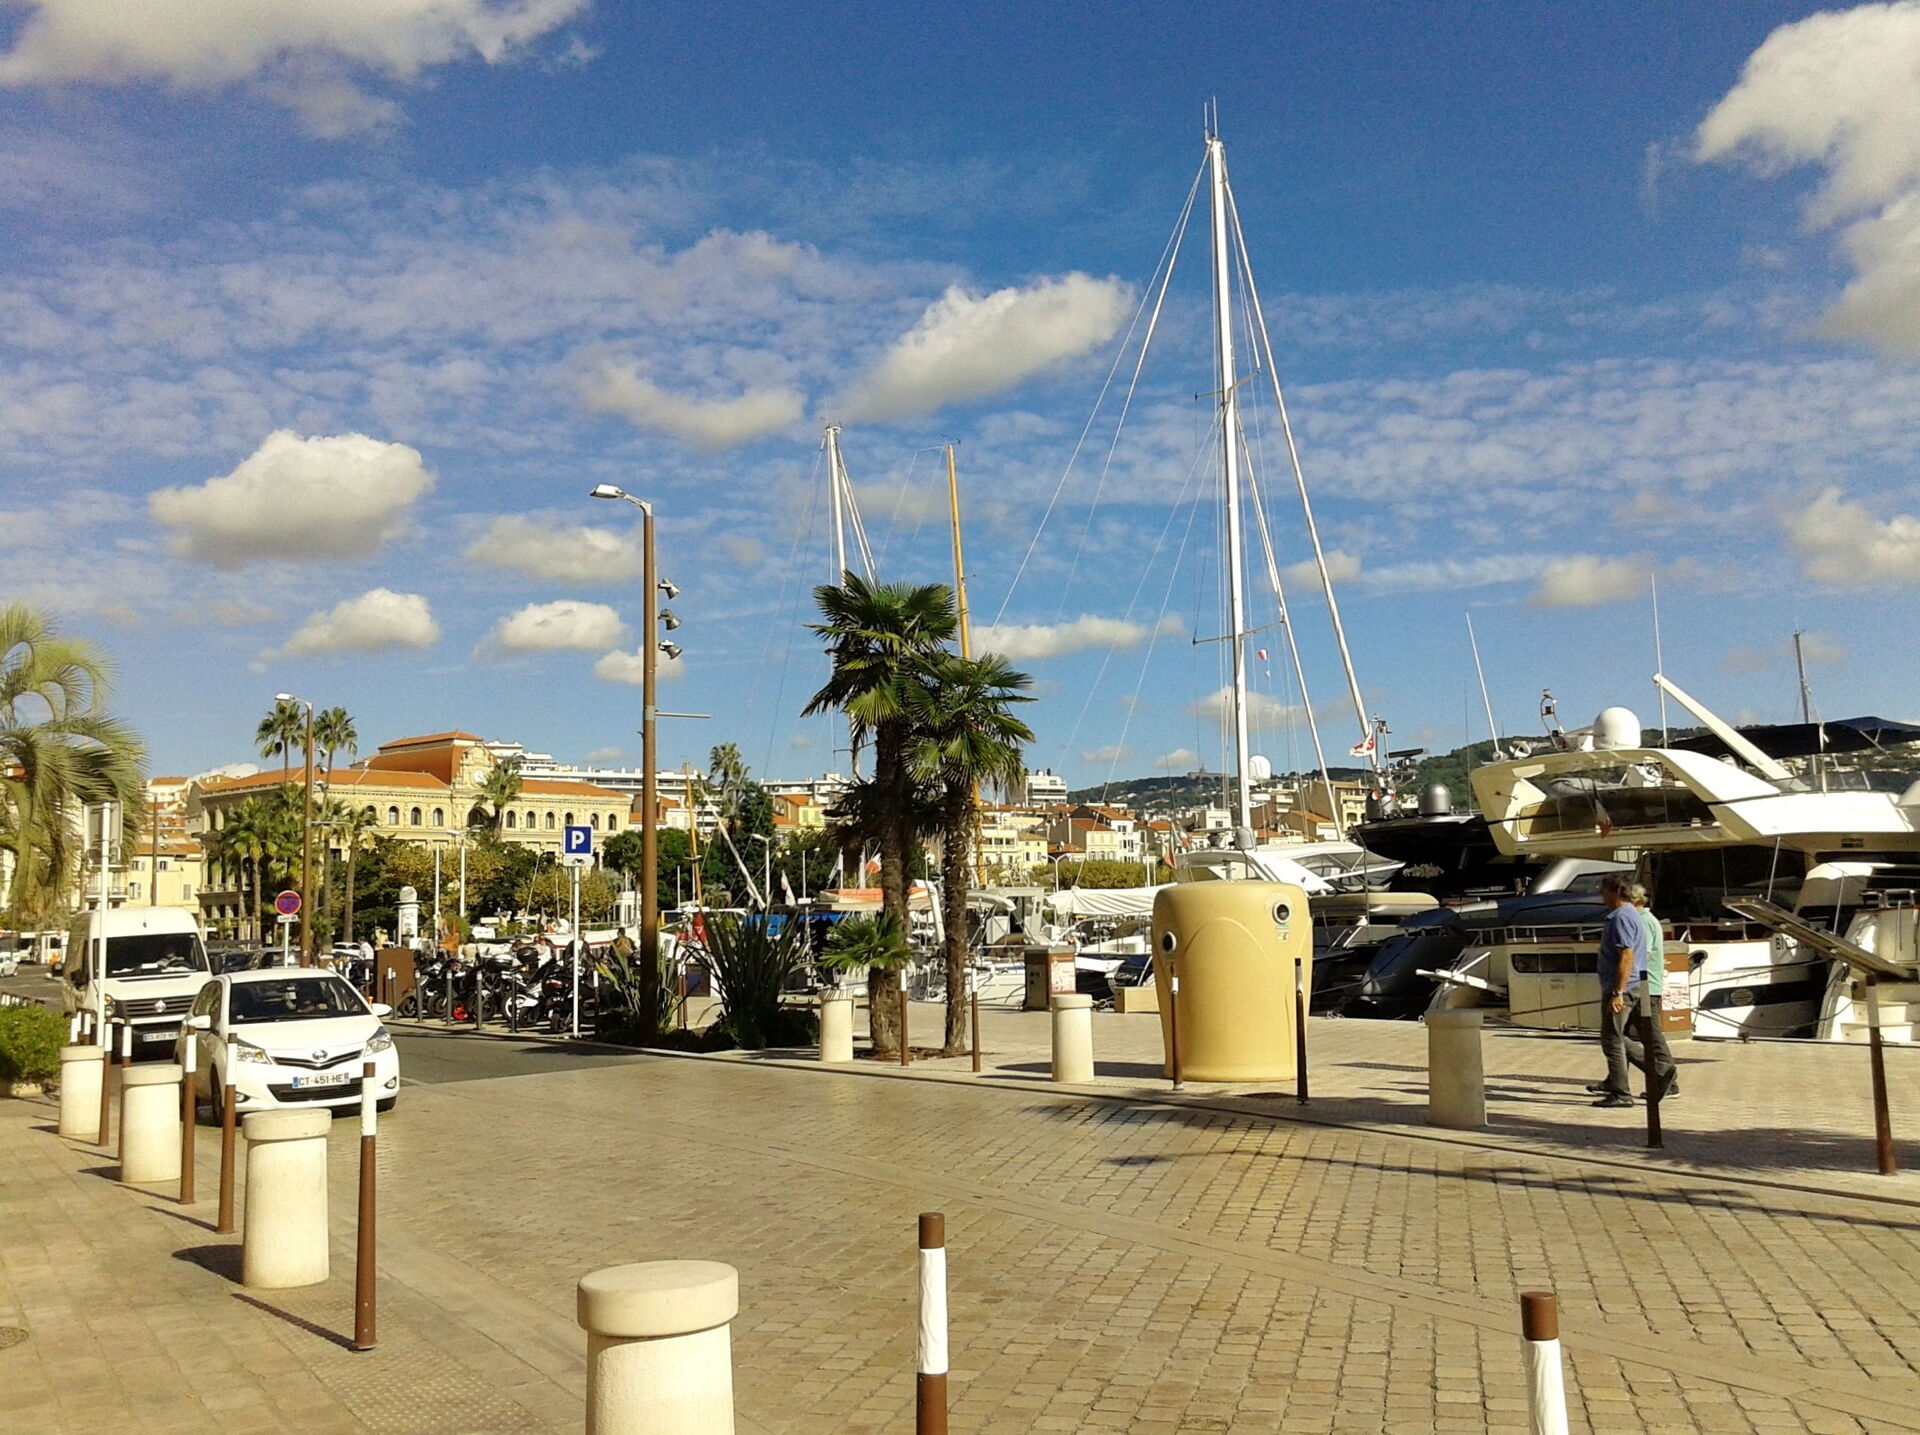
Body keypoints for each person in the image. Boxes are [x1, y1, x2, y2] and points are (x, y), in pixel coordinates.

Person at [1590, 873, 1646, 1107]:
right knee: (1616, 1036)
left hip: (1623, 986)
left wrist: (1618, 992)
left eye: (1603, 891)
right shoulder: (1628, 914)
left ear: (1614, 892)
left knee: (1612, 1039)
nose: (1601, 895)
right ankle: (1660, 1071)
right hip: (1630, 985)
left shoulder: (1621, 917)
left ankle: (1622, 1093)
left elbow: (1626, 956)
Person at [1625, 883, 1678, 1099]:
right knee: (1629, 1033)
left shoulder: (1643, 921)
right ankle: (1615, 1080)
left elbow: (1642, 955)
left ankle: (1665, 1077)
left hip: (1644, 985)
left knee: (1648, 1034)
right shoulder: (1645, 919)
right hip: (1643, 984)